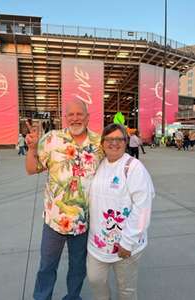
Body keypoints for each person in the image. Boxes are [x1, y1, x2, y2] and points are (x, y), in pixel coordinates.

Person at [25, 99, 103, 300]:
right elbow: (31, 169)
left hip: (85, 223)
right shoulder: (52, 139)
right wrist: (33, 148)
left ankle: (73, 297)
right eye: (71, 114)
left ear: (87, 117)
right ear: (65, 117)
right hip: (54, 220)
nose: (75, 118)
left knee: (78, 268)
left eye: (80, 114)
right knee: (47, 266)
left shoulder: (98, 143)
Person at [87, 123, 155, 300]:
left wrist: (128, 241)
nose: (114, 143)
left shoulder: (133, 167)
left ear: (126, 142)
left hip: (125, 246)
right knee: (95, 280)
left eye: (119, 139)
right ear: (102, 143)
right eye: (109, 139)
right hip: (98, 244)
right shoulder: (98, 165)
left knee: (126, 289)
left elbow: (143, 207)